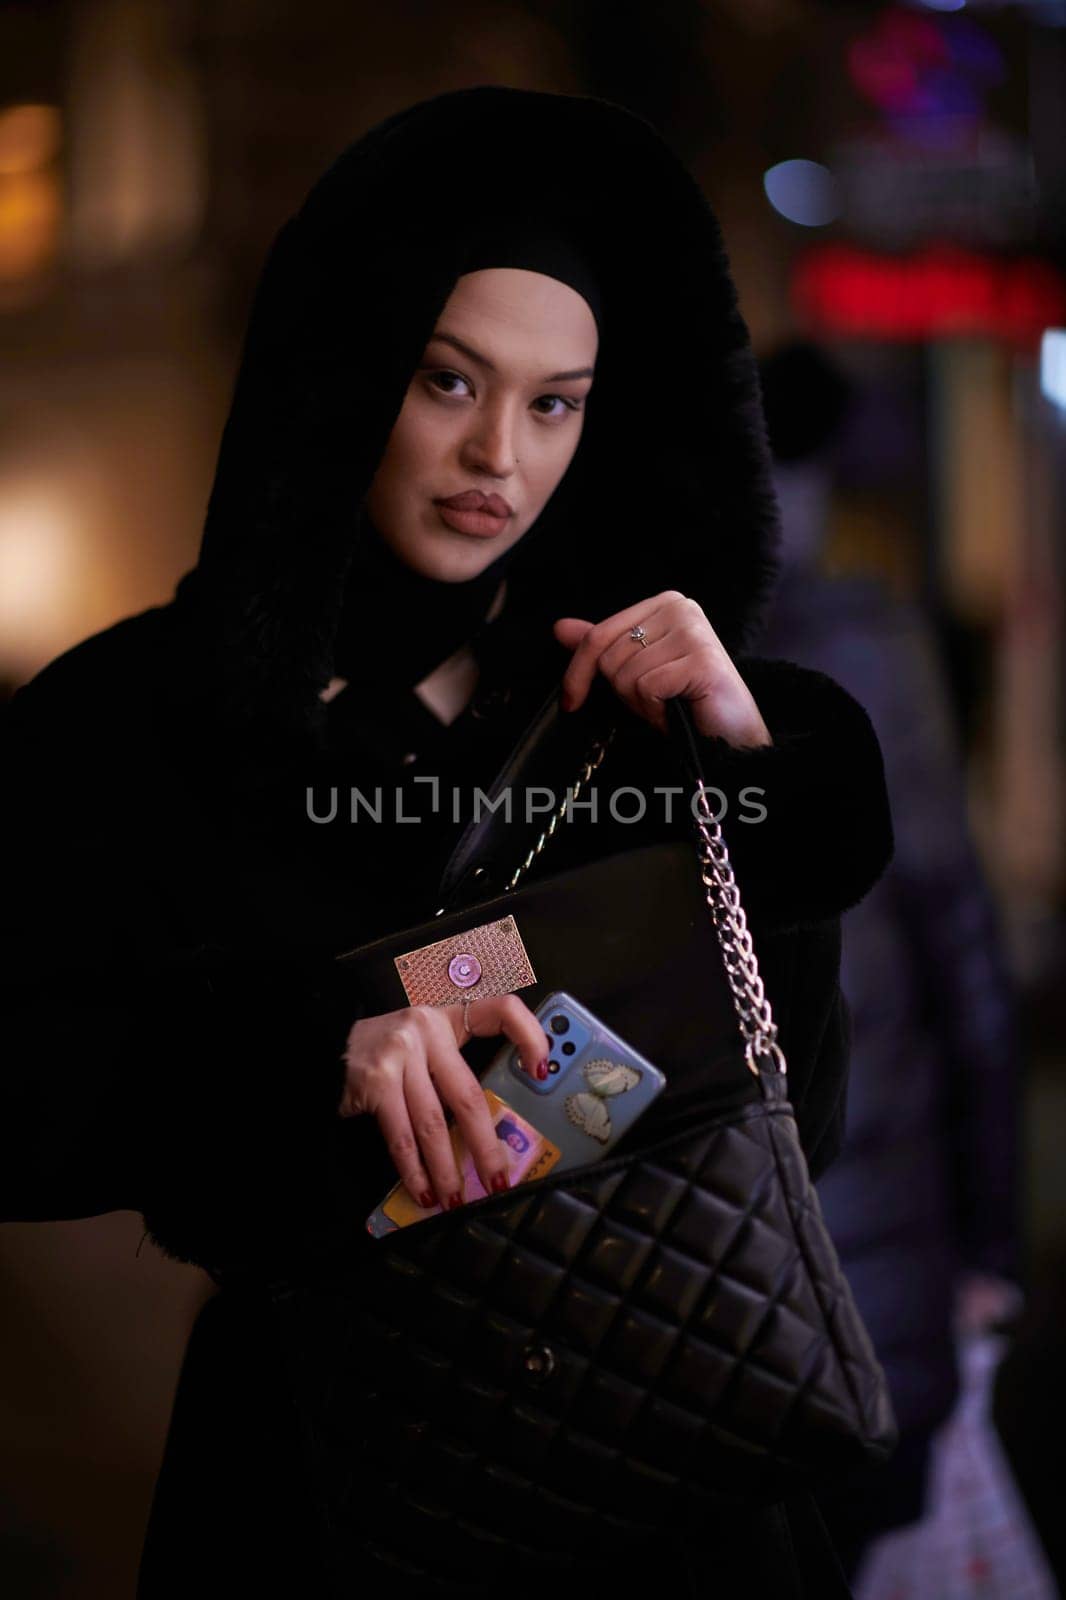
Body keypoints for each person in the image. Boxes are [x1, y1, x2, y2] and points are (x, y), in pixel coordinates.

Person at [1, 87, 894, 1597]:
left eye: (555, 402)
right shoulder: (132, 724)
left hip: (668, 1480)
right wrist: (305, 1054)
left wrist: (735, 783)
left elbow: (793, 1123)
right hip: (327, 1488)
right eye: (446, 381)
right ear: (353, 374)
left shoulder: (640, 706)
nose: (498, 453)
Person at [757, 341, 1023, 1580]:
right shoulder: (866, 646)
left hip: (711, 1324)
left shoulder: (602, 666)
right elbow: (963, 957)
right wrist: (987, 1246)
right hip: (885, 1301)